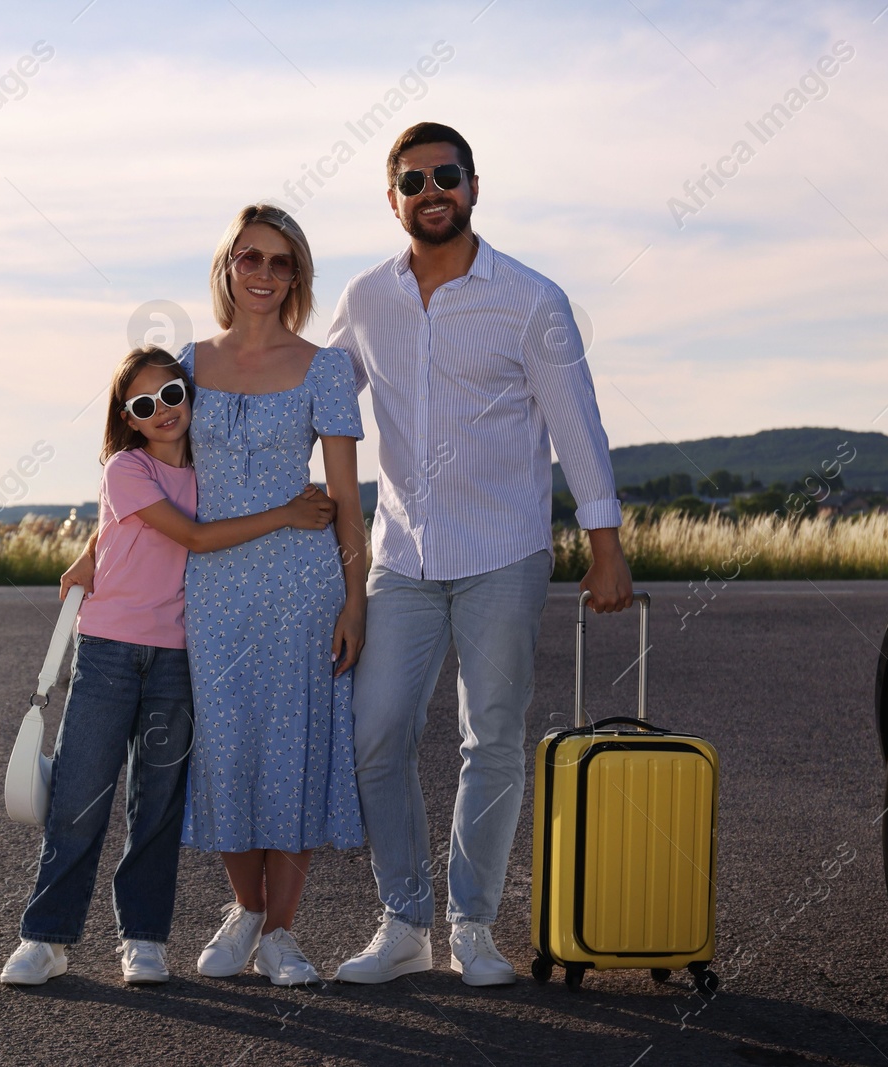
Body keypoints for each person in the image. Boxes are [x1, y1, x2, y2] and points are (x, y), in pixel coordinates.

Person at [329, 122, 634, 987]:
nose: (432, 193)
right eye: (413, 181)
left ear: (473, 186)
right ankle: (402, 922)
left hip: (505, 550)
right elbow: (315, 398)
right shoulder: (365, 298)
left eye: (447, 177)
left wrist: (603, 545)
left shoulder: (533, 300)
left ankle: (471, 923)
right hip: (401, 555)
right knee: (377, 730)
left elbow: (577, 426)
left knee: (491, 736)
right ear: (392, 199)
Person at [1, 345, 335, 987]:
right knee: (78, 800)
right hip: (109, 653)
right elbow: (196, 537)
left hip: (181, 656)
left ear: (190, 395)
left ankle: (144, 942)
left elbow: (163, 523)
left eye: (172, 395)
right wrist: (289, 514)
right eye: (145, 405)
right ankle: (45, 939)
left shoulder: (209, 468)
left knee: (156, 806)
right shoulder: (125, 466)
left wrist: (93, 546)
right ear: (128, 418)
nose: (163, 412)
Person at [179, 204, 369, 987]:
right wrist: (96, 553)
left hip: (302, 584)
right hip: (215, 584)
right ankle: (245, 910)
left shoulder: (326, 366)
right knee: (226, 745)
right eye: (249, 258)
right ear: (227, 268)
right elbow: (143, 473)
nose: (263, 273)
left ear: (298, 277)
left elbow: (349, 500)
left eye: (280, 262)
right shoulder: (187, 363)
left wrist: (355, 598)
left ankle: (284, 931)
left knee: (296, 747)